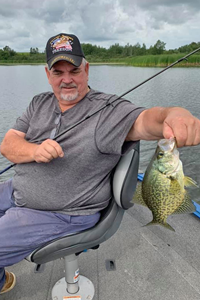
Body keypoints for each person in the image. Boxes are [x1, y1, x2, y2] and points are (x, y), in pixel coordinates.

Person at [0, 32, 200, 295]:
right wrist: (35, 151)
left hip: (62, 213)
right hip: (17, 190)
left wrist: (174, 114)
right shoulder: (39, 103)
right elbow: (8, 145)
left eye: (74, 70)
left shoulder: (109, 111)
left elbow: (148, 121)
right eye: (58, 72)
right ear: (48, 74)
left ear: (87, 69)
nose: (67, 79)